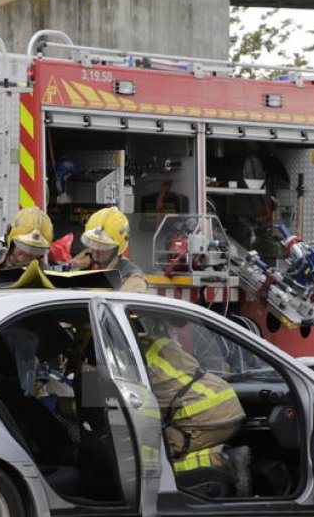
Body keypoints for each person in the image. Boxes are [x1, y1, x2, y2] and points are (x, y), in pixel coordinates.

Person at [136, 315, 251, 496]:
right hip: (223, 400)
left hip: (206, 417)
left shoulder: (134, 365)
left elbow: (144, 412)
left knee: (151, 459)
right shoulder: (152, 344)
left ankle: (222, 459)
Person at [70, 206, 148, 292]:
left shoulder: (132, 278)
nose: (96, 250)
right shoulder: (81, 264)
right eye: (93, 243)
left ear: (117, 247)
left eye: (103, 246)